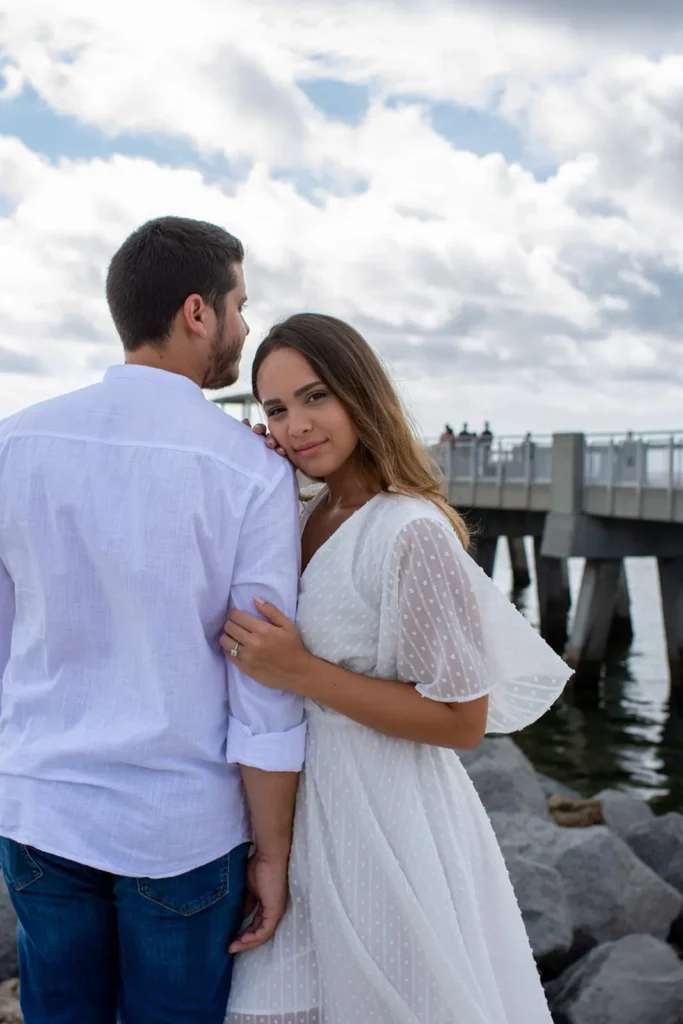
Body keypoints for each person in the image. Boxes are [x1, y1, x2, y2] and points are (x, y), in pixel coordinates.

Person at [222, 313, 573, 1024]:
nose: (296, 426)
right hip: (300, 809)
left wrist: (301, 672)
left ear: (360, 393)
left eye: (316, 397)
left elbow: (460, 720)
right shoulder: (303, 511)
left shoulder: (408, 530)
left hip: (384, 819)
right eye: (277, 409)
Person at [0, 217, 306, 1024]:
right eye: (240, 306)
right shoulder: (248, 471)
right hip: (181, 827)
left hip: (42, 809)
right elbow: (262, 685)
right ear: (197, 311)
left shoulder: (13, 444)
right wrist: (272, 854)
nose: (245, 326)